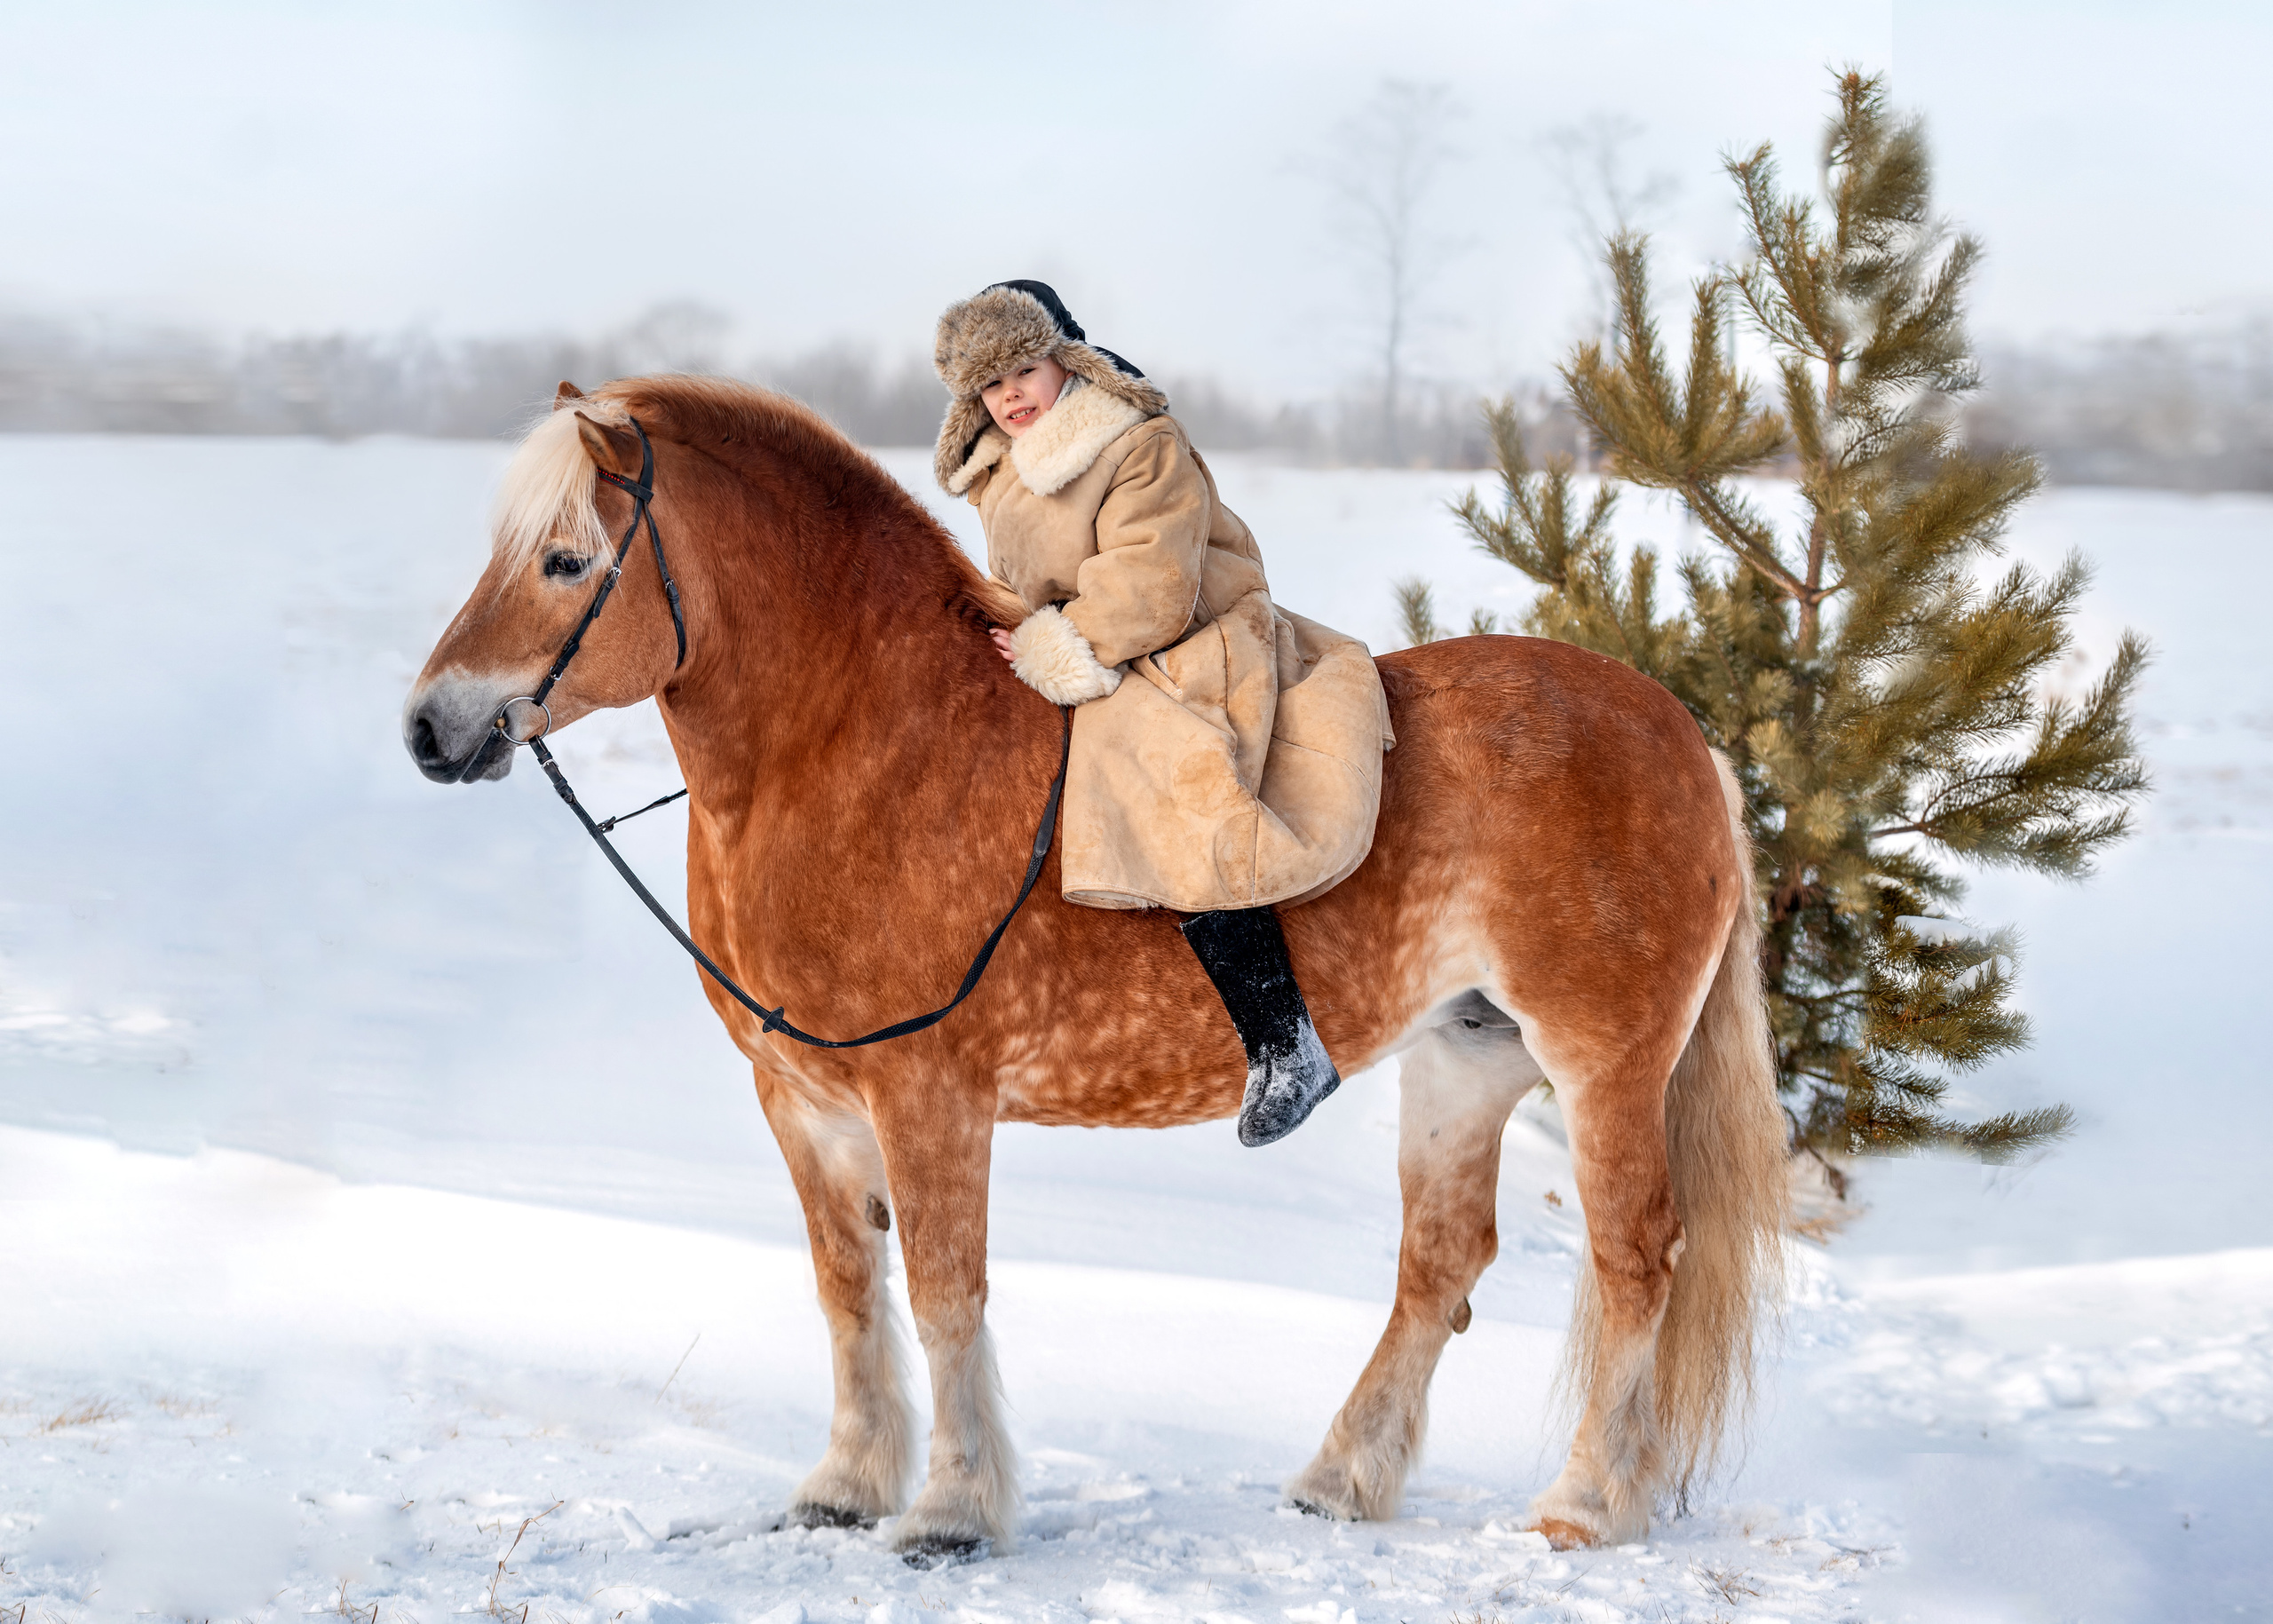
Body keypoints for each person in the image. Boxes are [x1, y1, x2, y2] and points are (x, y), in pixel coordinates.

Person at [933, 281, 1393, 1146]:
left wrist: (1053, 646)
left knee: (1154, 759)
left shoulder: (1139, 443)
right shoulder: (1002, 468)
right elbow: (1020, 586)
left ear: (1065, 356)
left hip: (1187, 633)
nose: (1010, 396)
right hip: (1077, 639)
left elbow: (1149, 586)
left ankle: (1284, 1038)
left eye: (1024, 370)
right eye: (990, 386)